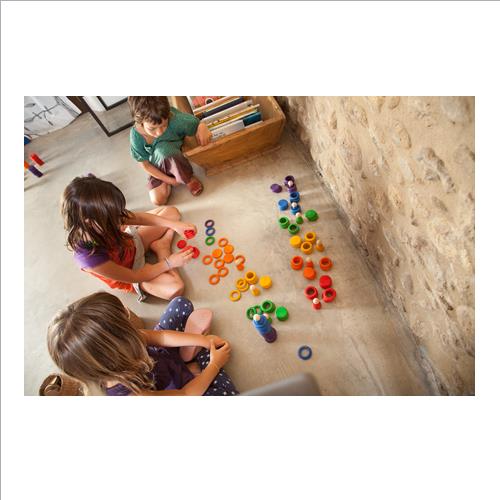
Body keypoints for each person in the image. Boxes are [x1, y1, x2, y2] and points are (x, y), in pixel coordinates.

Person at [47, 292, 238, 396]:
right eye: (125, 320)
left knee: (180, 304)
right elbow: (185, 394)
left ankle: (187, 360)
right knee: (226, 394)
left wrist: (203, 340)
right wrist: (214, 365)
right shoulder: (133, 397)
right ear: (118, 346)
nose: (128, 313)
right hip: (172, 389)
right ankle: (195, 364)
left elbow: (161, 337)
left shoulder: (121, 342)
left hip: (160, 358)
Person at [62, 174, 194, 302]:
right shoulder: (88, 258)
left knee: (172, 214)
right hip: (133, 271)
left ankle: (160, 244)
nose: (120, 219)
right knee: (176, 288)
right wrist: (169, 263)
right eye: (114, 219)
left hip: (132, 244)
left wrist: (174, 225)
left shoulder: (103, 215)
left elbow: (139, 218)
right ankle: (162, 248)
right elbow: (134, 276)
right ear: (89, 223)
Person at [128, 96, 212, 205]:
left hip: (170, 154)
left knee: (164, 151)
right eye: (152, 128)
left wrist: (202, 127)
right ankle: (173, 174)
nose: (159, 132)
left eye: (164, 125)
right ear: (140, 122)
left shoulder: (175, 119)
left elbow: (197, 123)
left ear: (168, 115)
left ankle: (187, 178)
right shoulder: (136, 136)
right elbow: (145, 165)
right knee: (158, 201)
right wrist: (169, 180)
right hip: (156, 165)